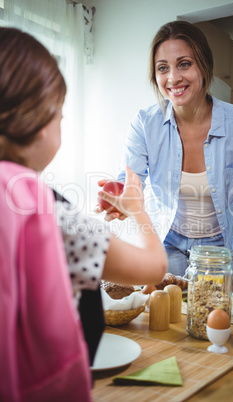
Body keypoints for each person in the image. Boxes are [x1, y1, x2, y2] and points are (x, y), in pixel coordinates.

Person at [0, 27, 167, 402]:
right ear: (40, 124)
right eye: (60, 115)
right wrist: (138, 210)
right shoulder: (52, 214)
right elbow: (154, 267)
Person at [96, 21, 233, 298]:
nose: (173, 78)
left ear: (204, 66)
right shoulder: (144, 123)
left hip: (218, 249)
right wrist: (116, 198)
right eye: (163, 67)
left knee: (207, 323)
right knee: (165, 320)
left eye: (184, 64)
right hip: (167, 241)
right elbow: (130, 179)